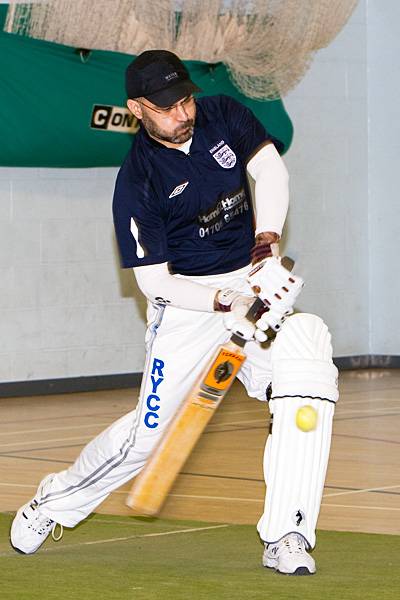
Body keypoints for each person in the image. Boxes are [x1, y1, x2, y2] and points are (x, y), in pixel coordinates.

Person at [10, 50, 338, 575]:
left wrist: (265, 245)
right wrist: (224, 301)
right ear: (137, 109)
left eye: (185, 99)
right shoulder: (137, 182)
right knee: (148, 439)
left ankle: (288, 533)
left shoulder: (224, 114)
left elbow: (270, 173)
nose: (182, 112)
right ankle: (52, 503)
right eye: (165, 107)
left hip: (249, 273)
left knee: (309, 365)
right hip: (187, 304)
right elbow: (154, 282)